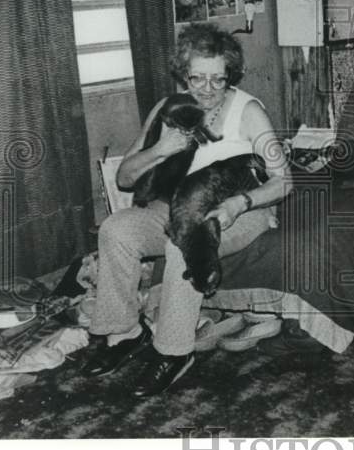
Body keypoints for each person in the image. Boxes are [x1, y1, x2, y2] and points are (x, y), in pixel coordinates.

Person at [82, 23, 291, 396]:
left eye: (217, 80)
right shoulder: (168, 108)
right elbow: (126, 179)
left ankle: (174, 352)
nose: (207, 90)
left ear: (230, 76)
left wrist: (238, 203)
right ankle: (123, 332)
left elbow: (283, 180)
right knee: (116, 229)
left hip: (240, 211)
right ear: (184, 75)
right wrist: (161, 149)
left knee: (186, 241)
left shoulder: (248, 111)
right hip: (176, 205)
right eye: (198, 79)